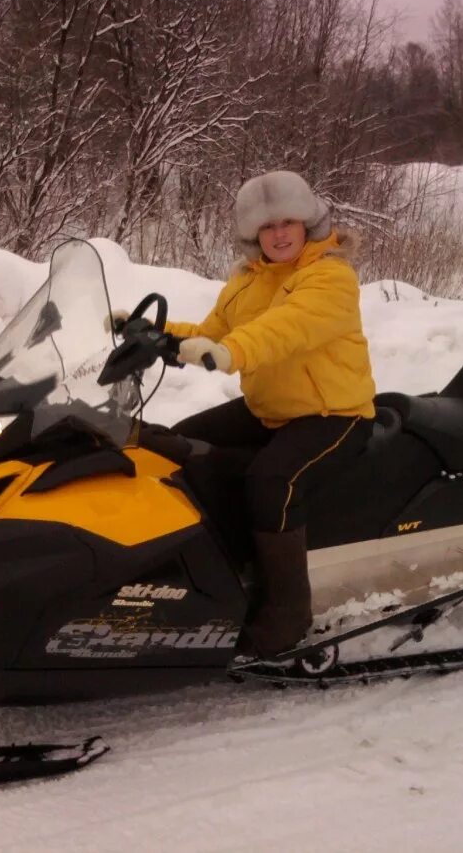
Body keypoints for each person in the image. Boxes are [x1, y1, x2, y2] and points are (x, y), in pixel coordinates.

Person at [117, 170, 376, 657]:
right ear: (253, 234)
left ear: (308, 223)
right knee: (179, 445)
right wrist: (153, 332)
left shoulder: (330, 277)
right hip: (271, 408)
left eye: (287, 222)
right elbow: (211, 330)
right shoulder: (249, 279)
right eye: (266, 227)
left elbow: (284, 329)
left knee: (271, 481)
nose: (278, 235)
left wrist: (230, 352)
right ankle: (220, 569)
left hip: (335, 414)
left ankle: (286, 616)